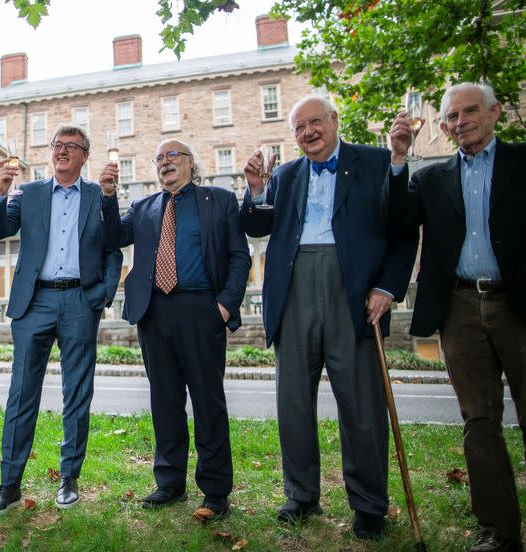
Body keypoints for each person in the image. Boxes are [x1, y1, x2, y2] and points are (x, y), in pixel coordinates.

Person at [239, 95, 417, 538]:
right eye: (299, 128)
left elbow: (402, 230)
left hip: (353, 291)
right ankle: (301, 494)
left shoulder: (377, 163)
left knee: (361, 403)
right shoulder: (285, 175)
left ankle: (370, 504)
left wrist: (387, 287)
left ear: (334, 121)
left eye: (315, 122)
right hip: (294, 289)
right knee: (293, 400)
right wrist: (256, 189)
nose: (308, 133)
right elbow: (257, 227)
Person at [387, 82, 526, 552]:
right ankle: (499, 531)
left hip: (518, 305)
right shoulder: (431, 178)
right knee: (478, 421)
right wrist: (400, 159)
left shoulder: (522, 163)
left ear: (494, 112)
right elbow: (398, 222)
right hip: (460, 308)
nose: (460, 121)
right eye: (452, 116)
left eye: (470, 111)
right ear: (443, 125)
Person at [99, 139, 251, 519]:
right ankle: (169, 483)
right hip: (155, 312)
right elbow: (112, 236)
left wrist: (224, 305)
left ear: (190, 163)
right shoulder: (145, 207)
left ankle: (215, 492)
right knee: (164, 400)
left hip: (202, 308)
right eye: (159, 158)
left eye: (172, 156)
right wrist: (106, 196)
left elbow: (238, 256)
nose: (165, 163)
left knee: (207, 401)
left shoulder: (219, 201)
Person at [0, 124, 122, 518]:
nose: (61, 151)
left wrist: (102, 295)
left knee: (77, 392)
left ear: (85, 156)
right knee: (21, 392)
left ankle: (69, 477)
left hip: (80, 299)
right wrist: (0, 192)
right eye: (57, 145)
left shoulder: (98, 194)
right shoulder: (30, 193)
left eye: (70, 147)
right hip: (35, 301)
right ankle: (9, 484)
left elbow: (114, 246)